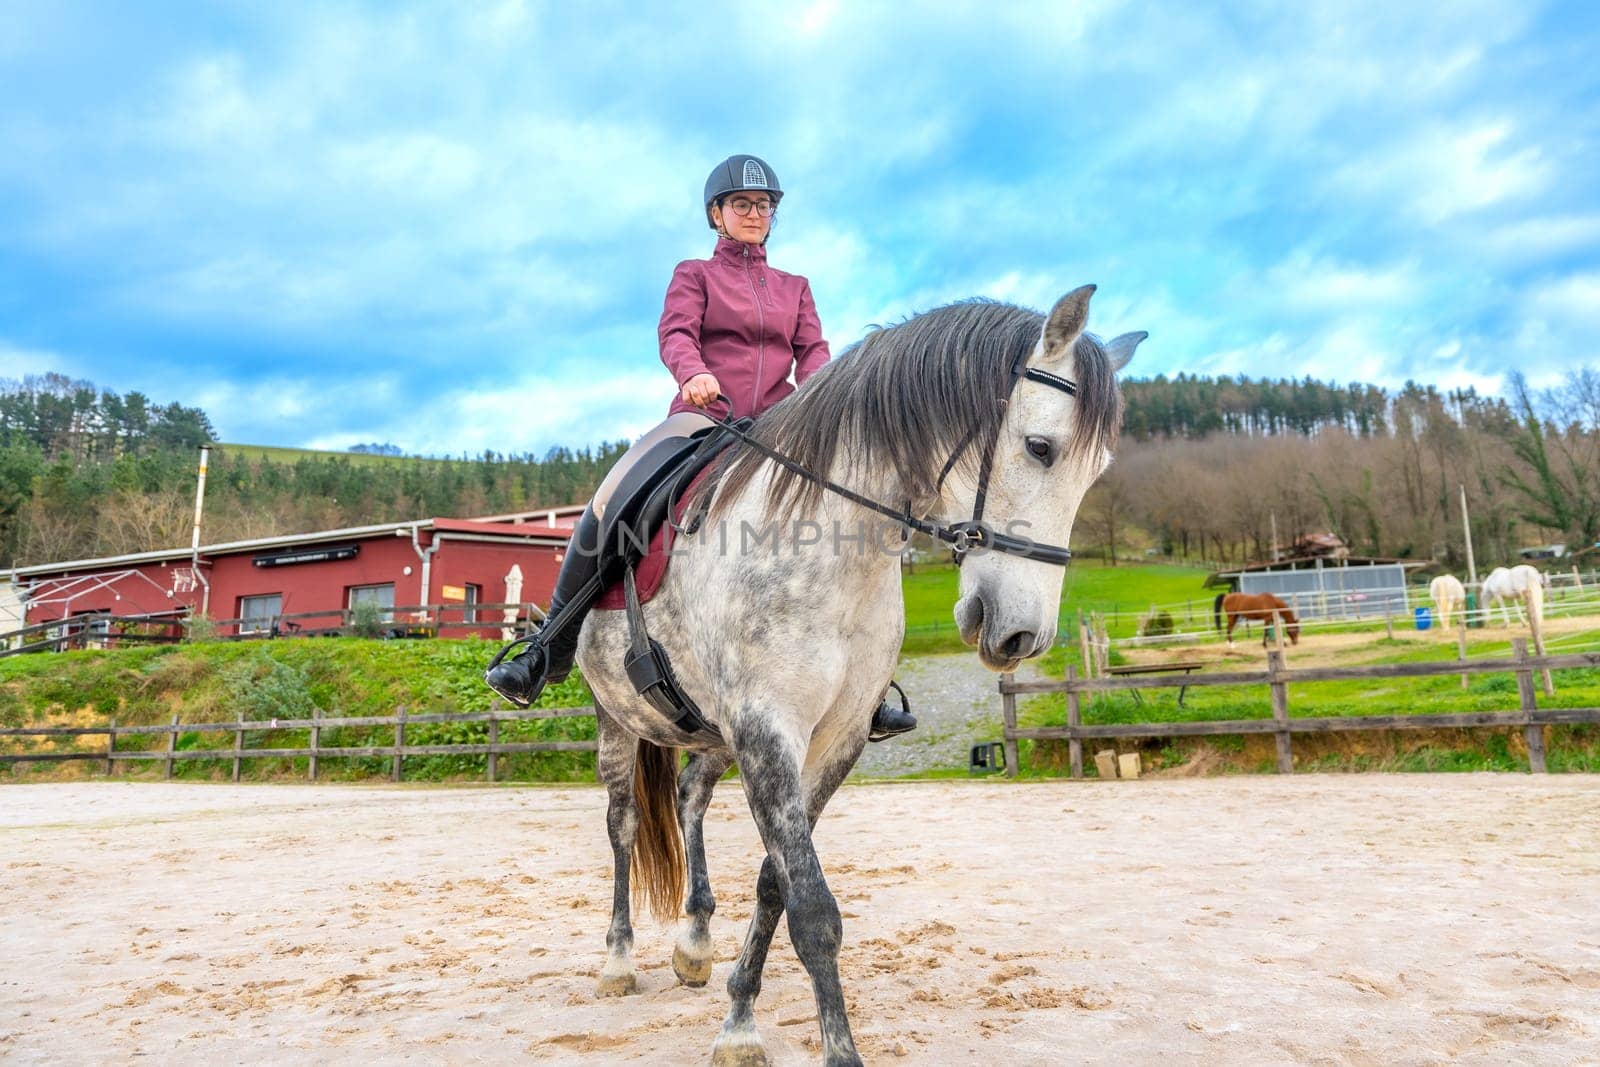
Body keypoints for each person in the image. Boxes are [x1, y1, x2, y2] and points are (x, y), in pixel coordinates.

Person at [486, 154, 917, 741]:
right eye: (742, 205)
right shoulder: (695, 274)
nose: (754, 214)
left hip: (782, 427)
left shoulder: (796, 287)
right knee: (615, 497)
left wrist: (822, 391)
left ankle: (865, 686)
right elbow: (676, 332)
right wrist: (691, 373)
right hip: (703, 418)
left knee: (859, 513)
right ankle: (547, 648)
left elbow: (813, 348)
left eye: (764, 206)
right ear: (717, 214)